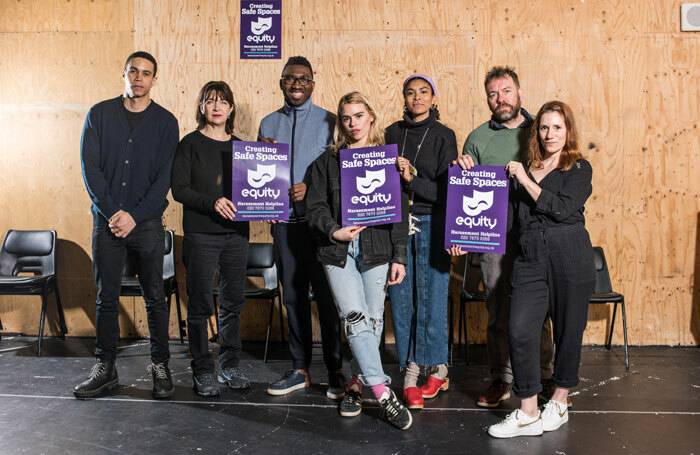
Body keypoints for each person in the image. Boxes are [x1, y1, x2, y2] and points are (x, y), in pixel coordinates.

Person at [484, 100, 595, 437]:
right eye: (544, 127)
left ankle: (559, 402)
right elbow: (508, 222)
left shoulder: (578, 168)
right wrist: (469, 236)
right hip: (529, 254)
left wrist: (523, 179)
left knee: (567, 330)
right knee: (519, 329)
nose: (549, 134)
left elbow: (560, 208)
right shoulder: (525, 169)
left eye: (557, 127)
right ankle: (528, 411)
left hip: (570, 252)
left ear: (568, 131)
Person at [306, 91, 412, 430]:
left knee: (374, 321)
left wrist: (400, 256)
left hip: (378, 248)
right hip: (338, 251)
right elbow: (315, 208)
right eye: (346, 117)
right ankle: (382, 392)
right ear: (341, 122)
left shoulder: (388, 161)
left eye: (358, 116)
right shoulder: (325, 162)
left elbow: (399, 214)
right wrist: (334, 231)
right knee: (354, 317)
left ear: (371, 119)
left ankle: (355, 384)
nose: (353, 123)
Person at [75, 51, 179, 399]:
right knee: (107, 298)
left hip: (147, 224)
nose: (138, 78)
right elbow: (91, 169)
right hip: (106, 223)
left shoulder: (166, 122)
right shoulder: (99, 114)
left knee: (155, 298)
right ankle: (105, 368)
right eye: (133, 71)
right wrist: (111, 213)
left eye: (146, 73)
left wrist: (134, 215)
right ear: (123, 73)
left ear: (154, 79)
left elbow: (164, 177)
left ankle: (160, 367)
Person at [455, 66, 559, 408]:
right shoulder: (477, 138)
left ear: (520, 94)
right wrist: (462, 170)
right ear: (488, 99)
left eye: (506, 91)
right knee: (497, 309)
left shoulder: (540, 131)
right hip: (492, 239)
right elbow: (466, 192)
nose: (500, 99)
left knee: (538, 311)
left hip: (535, 235)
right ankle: (501, 378)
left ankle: (544, 376)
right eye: (493, 94)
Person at [257, 56, 345, 398]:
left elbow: (339, 173)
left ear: (313, 83)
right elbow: (258, 172)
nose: (296, 84)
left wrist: (312, 187)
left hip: (320, 227)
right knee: (293, 298)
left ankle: (336, 371)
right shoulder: (267, 123)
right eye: (290, 79)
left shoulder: (331, 121)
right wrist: (264, 199)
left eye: (303, 79)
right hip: (284, 225)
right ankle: (300, 369)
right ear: (281, 83)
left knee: (327, 299)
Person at [171, 81, 250, 397]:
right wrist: (212, 202)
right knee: (201, 304)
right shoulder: (188, 144)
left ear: (231, 108)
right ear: (201, 107)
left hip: (236, 236)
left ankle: (229, 366)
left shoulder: (244, 148)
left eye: (223, 101)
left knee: (233, 303)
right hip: (201, 234)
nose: (217, 106)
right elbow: (180, 189)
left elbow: (255, 192)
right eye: (210, 100)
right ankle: (203, 369)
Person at [385, 74, 457, 409]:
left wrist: (412, 179)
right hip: (398, 222)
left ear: (433, 96)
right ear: (405, 97)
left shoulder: (444, 135)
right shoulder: (391, 133)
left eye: (423, 92)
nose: (417, 97)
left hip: (433, 220)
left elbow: (447, 192)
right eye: (411, 93)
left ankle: (436, 367)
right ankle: (411, 369)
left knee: (432, 298)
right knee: (401, 300)